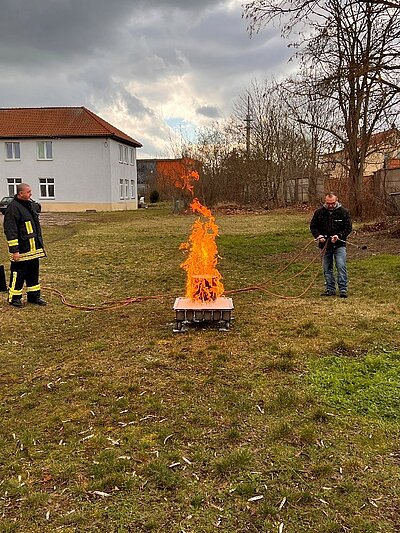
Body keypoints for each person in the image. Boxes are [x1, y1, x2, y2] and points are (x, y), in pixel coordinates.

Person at [3, 183, 47, 307]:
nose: (30, 194)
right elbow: (11, 230)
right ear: (20, 193)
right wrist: (14, 250)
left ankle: (34, 296)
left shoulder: (29, 205)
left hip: (33, 250)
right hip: (21, 251)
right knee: (18, 274)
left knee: (33, 273)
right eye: (28, 192)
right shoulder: (13, 208)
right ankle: (14, 298)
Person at [310, 192, 352, 298]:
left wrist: (339, 236)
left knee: (341, 266)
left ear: (336, 200)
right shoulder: (319, 212)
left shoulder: (344, 212)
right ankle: (330, 289)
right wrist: (318, 236)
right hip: (325, 245)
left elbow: (348, 228)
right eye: (328, 203)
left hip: (339, 245)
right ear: (325, 202)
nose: (330, 205)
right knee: (327, 268)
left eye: (332, 203)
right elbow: (313, 226)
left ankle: (343, 289)